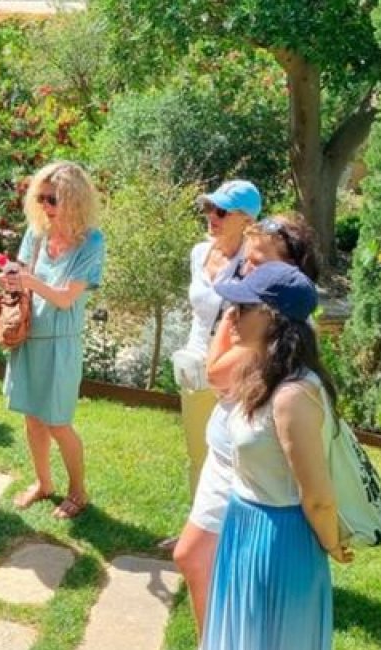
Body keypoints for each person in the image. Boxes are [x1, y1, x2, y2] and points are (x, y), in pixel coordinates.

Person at [171, 211, 324, 639]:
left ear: (290, 271)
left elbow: (216, 372)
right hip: (229, 453)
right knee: (204, 562)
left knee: (196, 558)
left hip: (249, 468)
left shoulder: (279, 330)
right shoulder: (254, 314)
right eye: (247, 261)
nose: (246, 271)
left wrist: (233, 315)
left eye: (259, 263)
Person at [204, 261, 350, 650]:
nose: (231, 315)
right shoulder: (262, 373)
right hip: (244, 524)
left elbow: (318, 498)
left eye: (243, 308)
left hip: (280, 542)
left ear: (273, 319)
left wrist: (332, 544)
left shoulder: (293, 395)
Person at [0, 161, 106, 520]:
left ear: (74, 199)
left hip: (60, 343)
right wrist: (11, 278)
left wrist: (30, 281)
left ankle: (78, 492)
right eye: (40, 198)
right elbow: (21, 273)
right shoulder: (36, 234)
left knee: (58, 422)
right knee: (32, 418)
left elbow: (65, 298)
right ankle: (43, 483)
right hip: (29, 336)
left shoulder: (91, 241)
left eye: (53, 199)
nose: (45, 206)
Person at [161, 180, 262, 547]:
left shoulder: (255, 262)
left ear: (247, 220)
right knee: (197, 453)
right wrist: (192, 355)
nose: (211, 216)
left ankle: (231, 539)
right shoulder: (199, 252)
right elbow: (200, 314)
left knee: (233, 456)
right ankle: (196, 533)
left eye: (221, 211)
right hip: (195, 366)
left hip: (234, 373)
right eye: (208, 208)